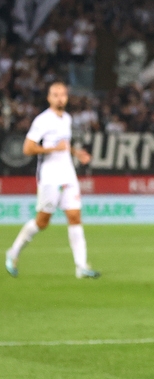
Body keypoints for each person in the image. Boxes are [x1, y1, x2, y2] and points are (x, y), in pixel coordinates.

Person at [5, 81, 98, 279]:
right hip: (49, 176)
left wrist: (76, 152)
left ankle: (81, 266)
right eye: (56, 94)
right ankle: (13, 252)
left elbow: (64, 143)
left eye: (63, 94)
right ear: (49, 98)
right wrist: (52, 149)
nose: (60, 98)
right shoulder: (42, 120)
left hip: (68, 174)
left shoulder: (67, 118)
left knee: (75, 217)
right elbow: (27, 148)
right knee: (43, 221)